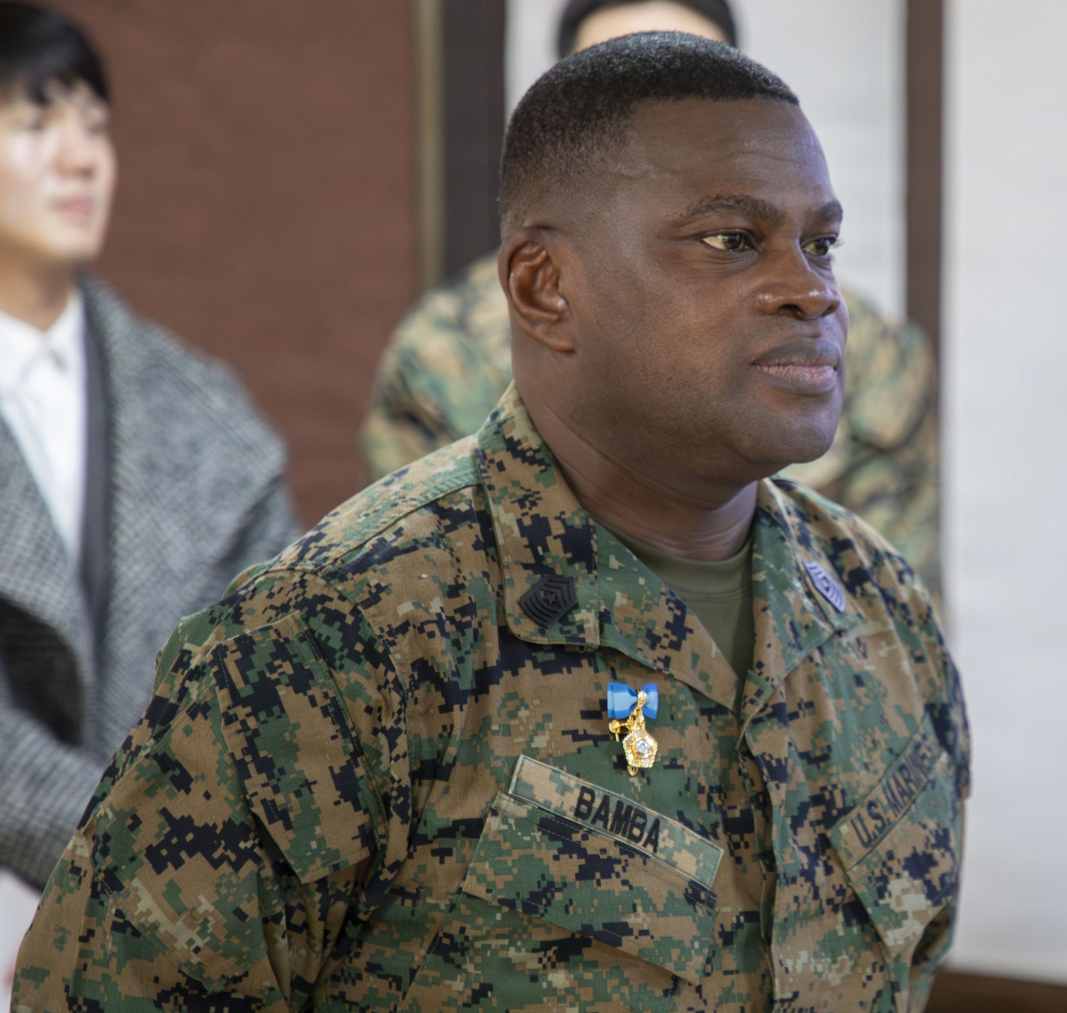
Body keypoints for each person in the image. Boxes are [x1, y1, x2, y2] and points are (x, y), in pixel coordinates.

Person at [14, 33, 968, 1010]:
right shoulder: (341, 637)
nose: (811, 291)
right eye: (731, 240)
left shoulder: (880, 615)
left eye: (821, 244)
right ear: (544, 287)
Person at [360, 0, 941, 590]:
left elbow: (886, 607)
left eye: (823, 245)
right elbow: (420, 578)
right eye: (623, 78)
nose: (809, 294)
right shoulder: (446, 352)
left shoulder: (863, 353)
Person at [0, 1, 295, 897]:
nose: (81, 157)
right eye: (35, 123)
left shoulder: (204, 415)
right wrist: (136, 852)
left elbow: (278, 674)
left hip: (178, 916)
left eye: (95, 126)